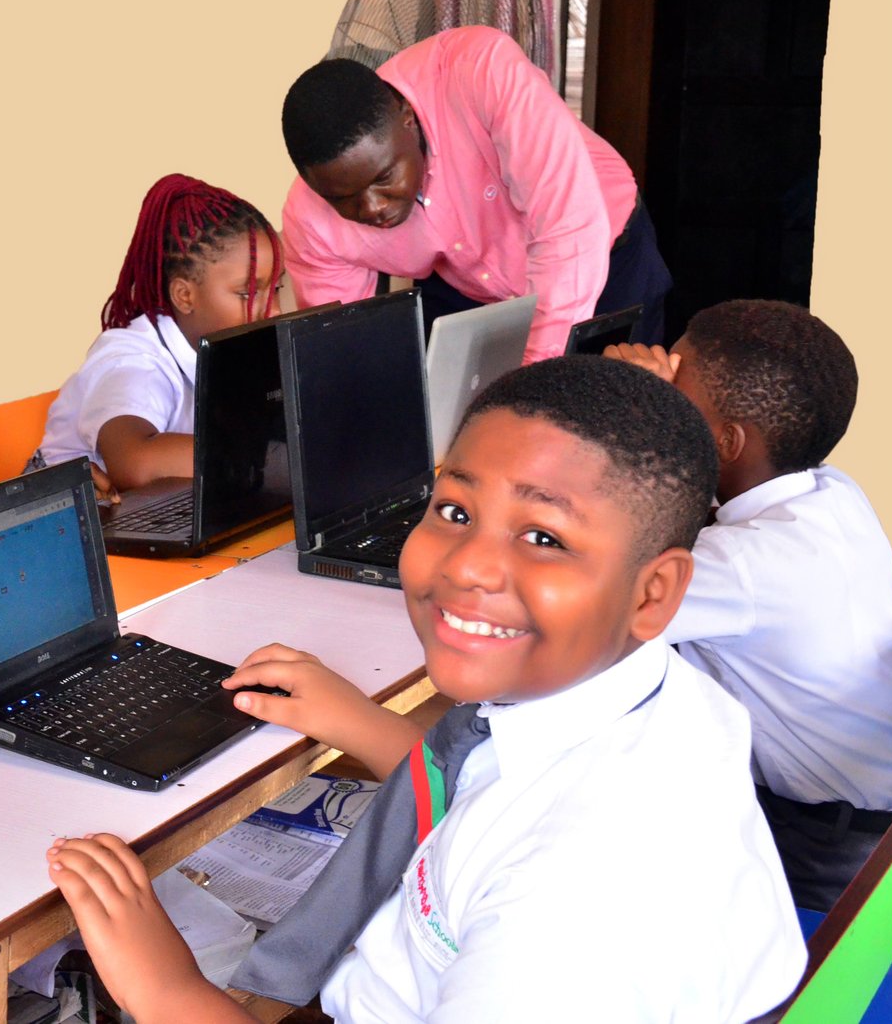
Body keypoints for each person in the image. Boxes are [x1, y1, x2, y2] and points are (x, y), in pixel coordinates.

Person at [46, 356, 804, 1021]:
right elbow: (483, 790)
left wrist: (170, 992)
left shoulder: (576, 907)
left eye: (544, 538)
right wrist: (363, 722)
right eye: (454, 510)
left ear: (653, 594)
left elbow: (543, 878)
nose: (467, 566)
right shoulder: (650, 699)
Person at [607, 300, 892, 911]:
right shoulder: (829, 491)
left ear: (726, 441)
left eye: (675, 388)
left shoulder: (744, 565)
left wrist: (633, 429)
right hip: (870, 815)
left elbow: (589, 595)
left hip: (830, 846)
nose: (664, 385)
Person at [280, 27, 671, 362]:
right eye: (343, 198)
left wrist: (533, 381)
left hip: (600, 257)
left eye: (385, 177)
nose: (373, 207)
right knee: (451, 424)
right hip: (468, 288)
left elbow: (567, 232)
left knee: (616, 424)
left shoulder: (482, 72)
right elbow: (342, 350)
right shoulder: (310, 220)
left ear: (408, 119)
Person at [36, 174, 282, 491]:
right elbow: (136, 464)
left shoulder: (228, 348)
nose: (274, 309)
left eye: (277, 287)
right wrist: (271, 457)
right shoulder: (133, 359)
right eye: (247, 293)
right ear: (184, 295)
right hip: (60, 525)